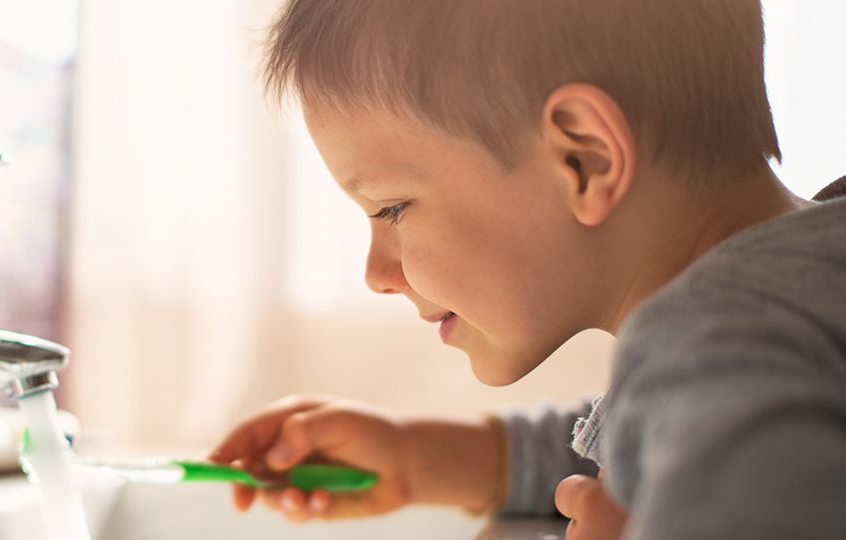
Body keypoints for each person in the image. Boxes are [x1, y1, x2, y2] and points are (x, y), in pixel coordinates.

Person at [208, 1, 846, 538]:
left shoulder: (722, 352)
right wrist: (425, 461)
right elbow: (653, 428)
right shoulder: (795, 297)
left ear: (585, 159)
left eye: (392, 208)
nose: (376, 272)